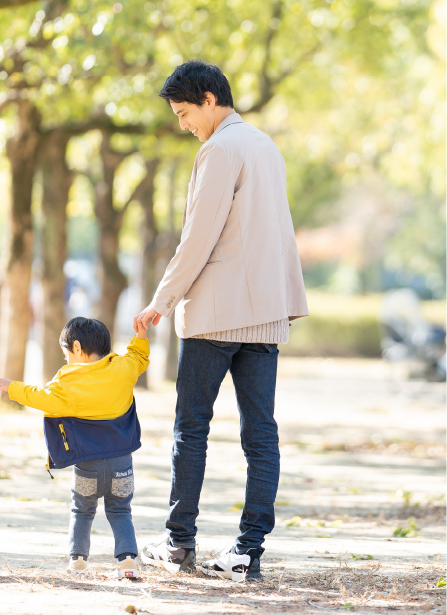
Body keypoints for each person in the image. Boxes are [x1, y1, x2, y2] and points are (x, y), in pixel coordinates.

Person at [135, 60, 309, 582]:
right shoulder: (264, 145)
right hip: (264, 318)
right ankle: (247, 552)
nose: (183, 124)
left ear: (210, 99)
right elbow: (280, 232)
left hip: (215, 317)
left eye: (186, 113)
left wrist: (161, 301)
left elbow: (199, 237)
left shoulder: (219, 150)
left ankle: (178, 542)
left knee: (192, 430)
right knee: (261, 435)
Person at [0, 317, 149, 579]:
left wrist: (13, 388)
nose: (66, 360)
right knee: (121, 510)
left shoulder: (68, 382)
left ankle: (77, 561)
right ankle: (128, 562)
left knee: (82, 510)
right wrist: (141, 336)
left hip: (87, 465)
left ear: (76, 347)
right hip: (122, 464)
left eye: (66, 353)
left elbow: (43, 398)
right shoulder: (124, 369)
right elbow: (138, 357)